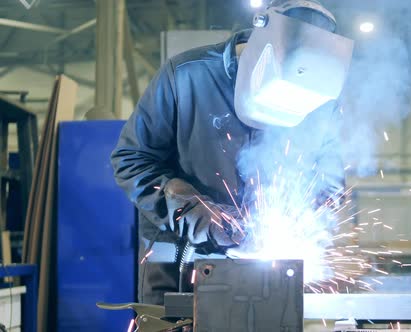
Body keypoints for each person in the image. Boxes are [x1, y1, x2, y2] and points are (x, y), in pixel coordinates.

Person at [110, 0, 353, 305]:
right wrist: (196, 212)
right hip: (180, 268)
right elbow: (131, 160)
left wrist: (308, 220)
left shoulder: (321, 100)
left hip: (270, 277)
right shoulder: (185, 76)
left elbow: (329, 186)